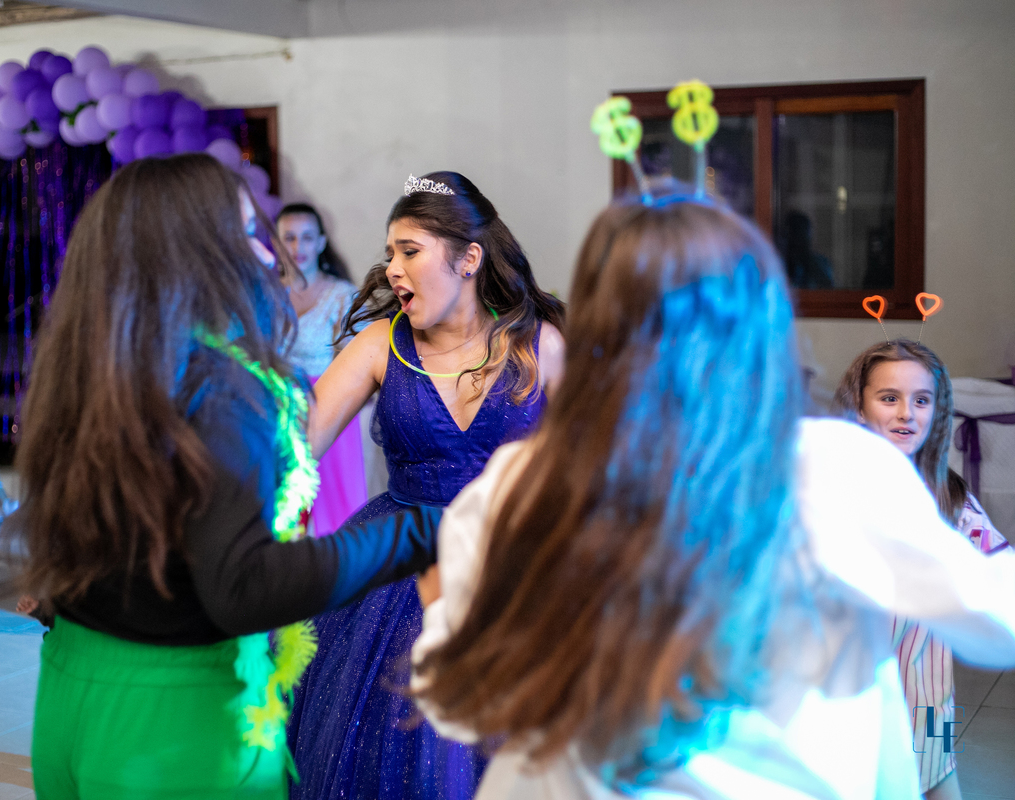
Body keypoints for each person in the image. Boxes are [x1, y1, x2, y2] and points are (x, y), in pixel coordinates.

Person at [410, 186, 1015, 799]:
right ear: (757, 325)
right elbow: (996, 621)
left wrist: (440, 609)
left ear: (598, 324)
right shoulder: (833, 468)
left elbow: (464, 708)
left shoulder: (519, 481)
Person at [12, 153, 442, 800]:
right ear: (191, 253)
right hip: (174, 723)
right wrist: (423, 529)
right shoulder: (219, 386)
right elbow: (243, 587)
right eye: (245, 232)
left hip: (71, 686)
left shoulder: (102, 370)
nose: (269, 254)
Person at [287, 171, 565, 800]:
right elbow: (293, 453)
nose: (392, 269)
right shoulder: (380, 345)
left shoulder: (538, 347)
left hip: (515, 568)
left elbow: (589, 472)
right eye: (390, 253)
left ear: (469, 259)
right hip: (397, 571)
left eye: (409, 251)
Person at [835, 340, 1008, 800]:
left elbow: (999, 567)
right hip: (847, 695)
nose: (906, 414)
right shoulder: (830, 488)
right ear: (859, 407)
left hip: (927, 697)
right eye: (889, 398)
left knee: (938, 781)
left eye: (921, 400)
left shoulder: (950, 498)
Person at [277, 203, 367, 535]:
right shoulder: (266, 293)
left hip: (329, 405)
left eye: (306, 237)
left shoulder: (342, 295)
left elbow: (356, 362)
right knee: (281, 506)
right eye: (289, 237)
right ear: (277, 243)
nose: (298, 247)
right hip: (278, 406)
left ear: (321, 242)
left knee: (337, 511)